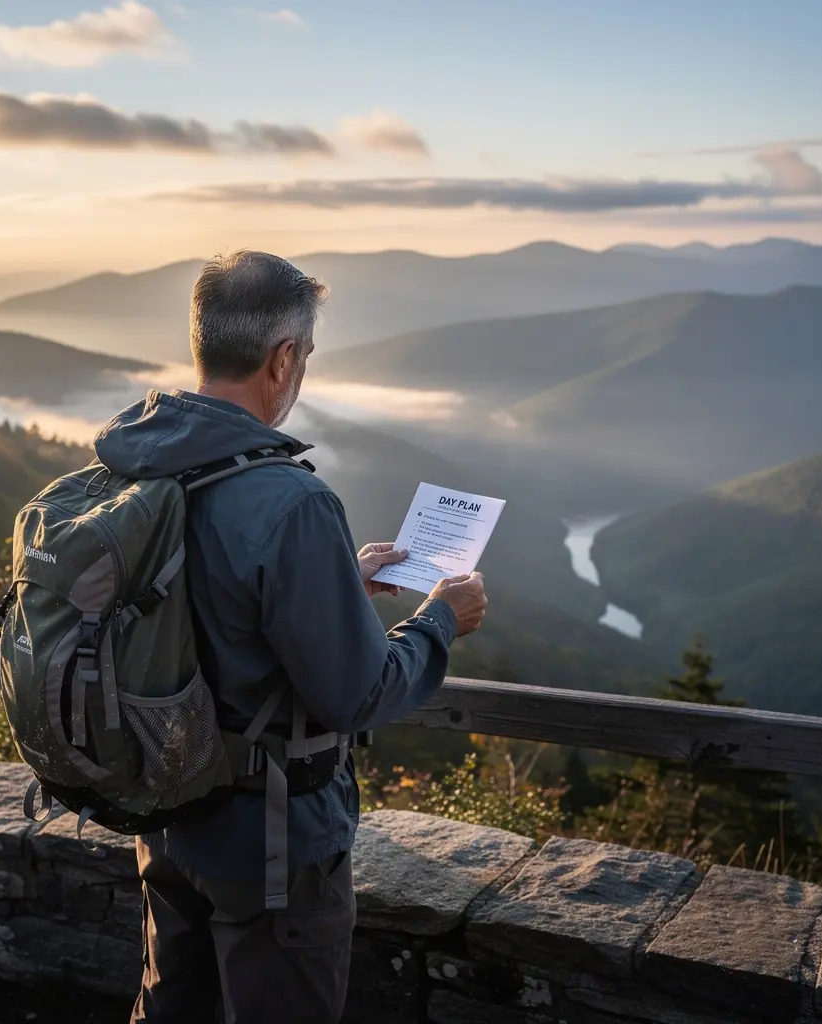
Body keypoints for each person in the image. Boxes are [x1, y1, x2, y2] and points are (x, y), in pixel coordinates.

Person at [93, 251, 488, 1024]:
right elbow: (358, 694)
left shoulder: (133, 466)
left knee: (172, 1008)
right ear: (283, 359)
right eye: (303, 355)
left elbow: (195, 602)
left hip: (167, 815)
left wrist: (336, 577)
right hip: (268, 843)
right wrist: (440, 621)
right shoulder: (289, 501)